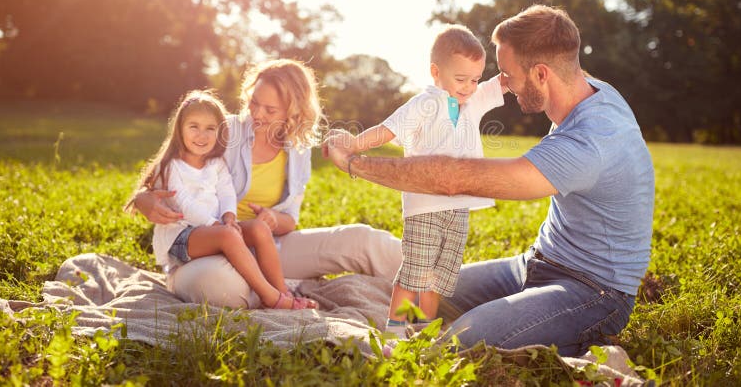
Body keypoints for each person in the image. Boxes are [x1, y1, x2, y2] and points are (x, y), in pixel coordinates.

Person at [324, 5, 655, 357]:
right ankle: (413, 333)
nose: (503, 84)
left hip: (593, 292)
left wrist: (355, 162)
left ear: (541, 75)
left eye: (508, 74)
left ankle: (576, 332)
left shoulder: (590, 141)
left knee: (463, 339)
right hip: (535, 263)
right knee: (430, 295)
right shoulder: (584, 88)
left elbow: (452, 180)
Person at [132, 60, 402, 310]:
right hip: (205, 256)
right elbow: (168, 168)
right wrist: (143, 199)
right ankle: (278, 294)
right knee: (222, 287)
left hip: (266, 247)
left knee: (362, 240)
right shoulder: (222, 130)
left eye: (270, 109)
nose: (257, 114)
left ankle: (436, 284)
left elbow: (290, 221)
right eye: (254, 103)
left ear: (294, 112)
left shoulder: (298, 150)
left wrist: (273, 218)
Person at [347, 25, 506, 337]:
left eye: (474, 79)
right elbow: (388, 129)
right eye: (461, 79)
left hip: (459, 206)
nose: (469, 87)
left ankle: (423, 329)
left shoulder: (473, 100)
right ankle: (394, 328)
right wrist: (352, 146)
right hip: (425, 206)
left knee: (439, 277)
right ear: (436, 72)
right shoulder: (424, 103)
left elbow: (503, 81)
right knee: (415, 272)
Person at [127, 89, 315, 309]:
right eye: (194, 127)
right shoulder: (171, 166)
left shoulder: (215, 163)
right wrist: (216, 225)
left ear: (220, 132)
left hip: (214, 230)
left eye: (210, 129)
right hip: (180, 237)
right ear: (180, 129)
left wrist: (228, 217)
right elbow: (184, 204)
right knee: (227, 235)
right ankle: (271, 298)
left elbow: (227, 192)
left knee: (259, 229)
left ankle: (283, 291)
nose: (202, 135)